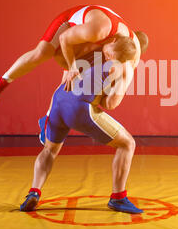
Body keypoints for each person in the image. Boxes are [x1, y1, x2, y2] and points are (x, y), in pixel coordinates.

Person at [19, 38, 143, 214]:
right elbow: (110, 104)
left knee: (49, 150)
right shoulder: (125, 67)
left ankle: (34, 192)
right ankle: (118, 198)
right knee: (127, 144)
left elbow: (67, 49)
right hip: (78, 107)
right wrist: (104, 92)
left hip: (58, 99)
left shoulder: (99, 45)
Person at [0, 5, 148, 106]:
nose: (109, 59)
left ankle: (49, 119)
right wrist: (71, 67)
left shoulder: (132, 54)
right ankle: (1, 83)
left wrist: (111, 91)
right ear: (112, 41)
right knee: (42, 53)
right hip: (69, 23)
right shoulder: (98, 30)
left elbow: (119, 88)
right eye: (110, 55)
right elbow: (64, 38)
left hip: (95, 39)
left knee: (85, 72)